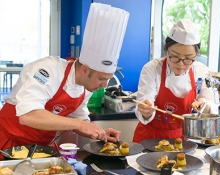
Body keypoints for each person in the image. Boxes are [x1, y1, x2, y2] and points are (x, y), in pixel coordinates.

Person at [0, 2, 129, 159]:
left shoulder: (86, 86)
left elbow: (78, 118)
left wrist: (98, 132)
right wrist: (79, 124)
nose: (104, 85)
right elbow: (28, 115)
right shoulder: (48, 70)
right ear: (85, 69)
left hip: (42, 149)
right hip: (9, 143)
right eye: (102, 79)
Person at [133, 19, 219, 143]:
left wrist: (204, 105)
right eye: (175, 57)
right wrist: (146, 110)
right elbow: (144, 103)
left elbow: (212, 107)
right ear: (166, 49)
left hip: (181, 140)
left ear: (196, 56)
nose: (181, 64)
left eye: (188, 59)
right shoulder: (152, 69)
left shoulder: (200, 71)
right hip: (149, 138)